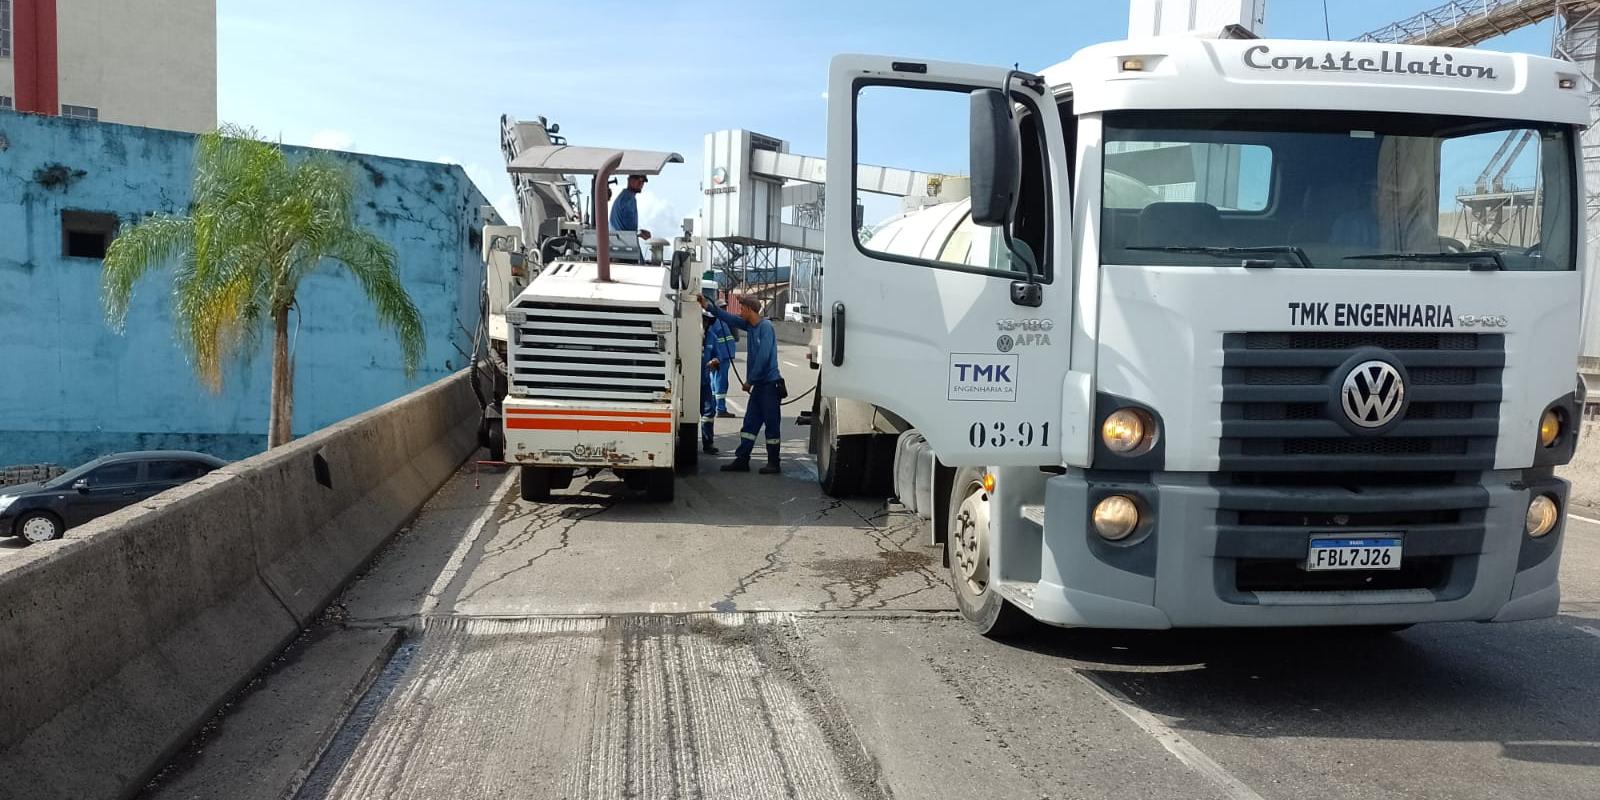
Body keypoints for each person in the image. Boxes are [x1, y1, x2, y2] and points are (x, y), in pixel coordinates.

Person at [699, 293, 782, 474]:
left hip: (769, 385)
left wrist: (750, 381)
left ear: (751, 309)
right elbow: (729, 318)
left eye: (743, 309)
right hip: (759, 387)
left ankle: (774, 462)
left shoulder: (765, 327)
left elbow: (763, 357)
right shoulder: (750, 326)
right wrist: (709, 307)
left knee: (771, 424)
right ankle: (742, 459)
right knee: (749, 425)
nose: (740, 312)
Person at [707, 300, 737, 418]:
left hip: (721, 355)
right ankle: (721, 408)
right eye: (722, 308)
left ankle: (715, 407)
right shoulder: (717, 322)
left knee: (715, 381)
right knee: (720, 382)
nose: (724, 310)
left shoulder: (719, 322)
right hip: (722, 356)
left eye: (725, 307)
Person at [699, 311, 721, 455]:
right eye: (703, 320)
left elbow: (718, 356)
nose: (705, 323)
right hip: (687, 382)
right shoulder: (689, 336)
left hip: (705, 382)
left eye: (707, 321)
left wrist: (715, 361)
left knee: (708, 412)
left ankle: (708, 443)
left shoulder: (712, 337)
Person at [608, 174, 652, 241]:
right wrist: (640, 233)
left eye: (643, 181)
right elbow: (629, 232)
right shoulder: (627, 200)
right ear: (629, 180)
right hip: (623, 246)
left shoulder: (627, 197)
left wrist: (640, 232)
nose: (641, 183)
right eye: (638, 179)